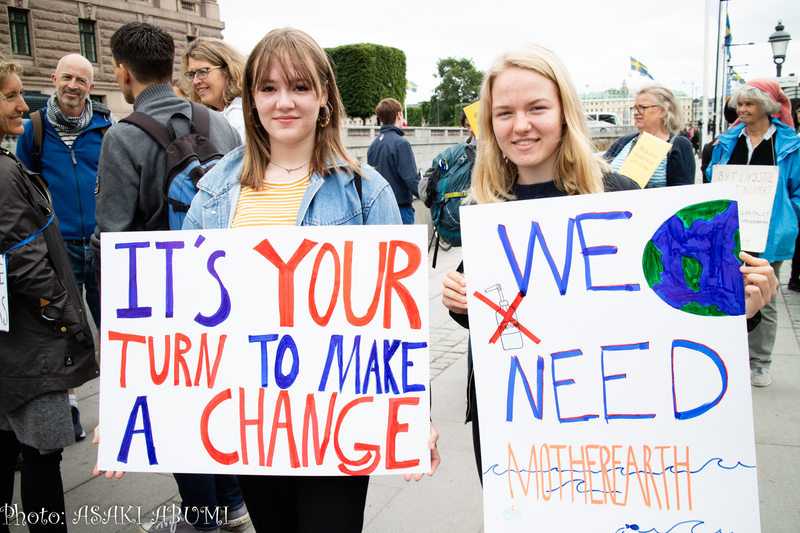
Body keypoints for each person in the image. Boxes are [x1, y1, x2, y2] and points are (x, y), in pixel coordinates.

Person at [181, 28, 440, 533]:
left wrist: (414, 414)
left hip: (337, 417)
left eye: (300, 87)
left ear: (324, 95)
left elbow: (398, 319)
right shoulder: (213, 192)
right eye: (269, 88)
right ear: (251, 98)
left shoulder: (367, 192)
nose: (284, 102)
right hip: (250, 414)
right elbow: (183, 313)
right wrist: (137, 402)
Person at [439, 44, 639, 482]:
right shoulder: (489, 207)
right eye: (504, 113)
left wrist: (746, 306)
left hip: (607, 410)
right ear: (490, 124)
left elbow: (662, 313)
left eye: (537, 108)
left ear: (565, 111)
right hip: (513, 413)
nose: (521, 125)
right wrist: (460, 303)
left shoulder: (619, 196)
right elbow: (500, 315)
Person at [90, 22, 244, 533]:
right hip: (221, 286)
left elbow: (112, 238)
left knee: (176, 405)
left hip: (161, 296)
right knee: (221, 393)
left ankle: (200, 518)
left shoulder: (123, 136)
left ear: (122, 71)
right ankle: (236, 502)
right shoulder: (218, 126)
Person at [0, 59, 99, 533]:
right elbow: (23, 260)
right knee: (41, 455)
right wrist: (68, 320)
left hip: (12, 335)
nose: (23, 103)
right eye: (11, 96)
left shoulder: (103, 125)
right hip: (29, 341)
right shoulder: (8, 168)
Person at [15, 54, 112, 441]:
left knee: (113, 328)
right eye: (67, 77)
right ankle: (70, 407)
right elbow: (22, 188)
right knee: (65, 329)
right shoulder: (33, 130)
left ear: (91, 86)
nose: (73, 85)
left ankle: (117, 406)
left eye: (81, 80)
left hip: (102, 244)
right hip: (59, 248)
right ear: (55, 79)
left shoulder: (107, 127)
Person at [707, 79, 800, 388]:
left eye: (749, 104)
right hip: (730, 231)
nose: (741, 110)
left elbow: (797, 190)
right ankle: (727, 353)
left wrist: (788, 216)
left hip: (769, 232)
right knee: (723, 291)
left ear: (768, 108)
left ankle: (759, 362)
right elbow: (712, 178)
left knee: (765, 295)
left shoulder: (789, 144)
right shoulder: (728, 141)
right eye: (740, 104)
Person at [604, 83, 696, 187]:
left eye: (642, 107)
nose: (636, 112)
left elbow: (682, 192)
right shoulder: (623, 142)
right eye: (635, 108)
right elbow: (598, 173)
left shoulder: (679, 145)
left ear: (662, 111)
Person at [367, 98, 419, 224]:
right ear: (399, 115)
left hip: (380, 211)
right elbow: (411, 178)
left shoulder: (373, 145)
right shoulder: (400, 143)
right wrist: (429, 196)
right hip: (400, 209)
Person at [181, 37, 246, 139]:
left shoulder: (237, 117)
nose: (195, 81)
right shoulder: (220, 114)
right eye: (191, 74)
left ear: (228, 71)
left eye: (202, 72)